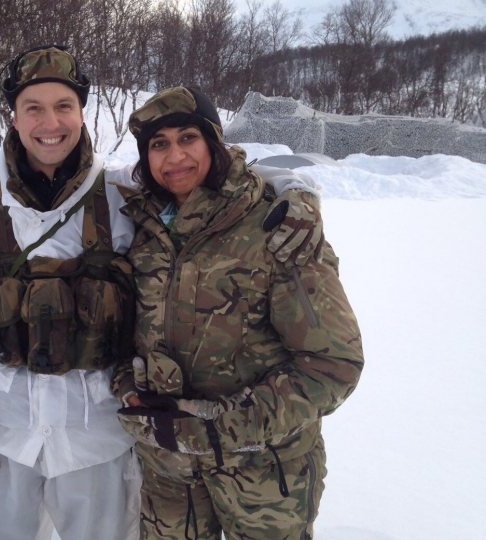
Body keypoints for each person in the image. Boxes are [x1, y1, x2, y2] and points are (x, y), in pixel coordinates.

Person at [0, 47, 321, 540]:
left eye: (64, 105)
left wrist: (291, 191)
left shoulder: (119, 197)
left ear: (81, 112)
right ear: (15, 118)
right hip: (2, 438)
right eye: (34, 108)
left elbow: (207, 185)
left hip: (100, 443)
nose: (51, 122)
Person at [113, 86, 364, 540]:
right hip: (169, 475)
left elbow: (333, 365)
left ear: (213, 142)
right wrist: (128, 387)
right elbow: (123, 337)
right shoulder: (142, 228)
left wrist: (217, 427)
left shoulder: (276, 226)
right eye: (158, 144)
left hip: (264, 479)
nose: (174, 157)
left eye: (188, 137)